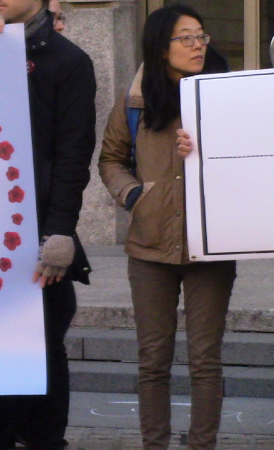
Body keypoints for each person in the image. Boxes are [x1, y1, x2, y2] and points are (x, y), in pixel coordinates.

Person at [0, 0, 96, 448]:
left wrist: (59, 232)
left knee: (44, 343)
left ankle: (44, 439)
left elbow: (73, 154)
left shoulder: (68, 60)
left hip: (37, 227)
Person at [98, 5, 234, 449]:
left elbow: (251, 156)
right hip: (149, 247)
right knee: (153, 362)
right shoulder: (135, 99)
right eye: (186, 38)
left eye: (201, 36)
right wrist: (134, 196)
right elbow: (111, 159)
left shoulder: (225, 94)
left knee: (205, 362)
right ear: (161, 48)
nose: (198, 45)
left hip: (210, 245)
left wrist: (209, 144)